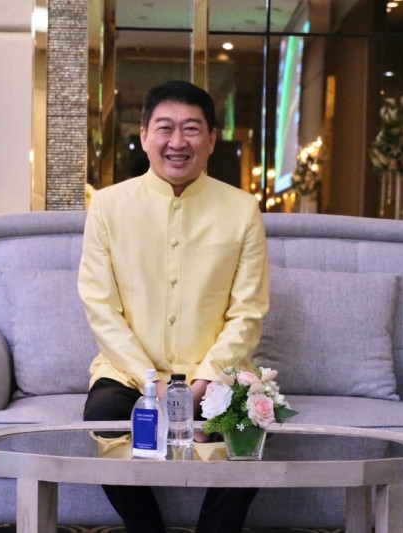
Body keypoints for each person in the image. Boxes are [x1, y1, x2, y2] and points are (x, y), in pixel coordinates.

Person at [78, 80, 270, 533]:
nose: (177, 142)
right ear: (145, 136)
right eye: (165, 128)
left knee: (250, 429)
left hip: (215, 373)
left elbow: (248, 310)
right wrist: (154, 383)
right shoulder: (107, 206)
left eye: (191, 129)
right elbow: (100, 305)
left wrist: (203, 381)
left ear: (212, 139)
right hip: (127, 373)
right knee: (105, 418)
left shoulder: (242, 209)